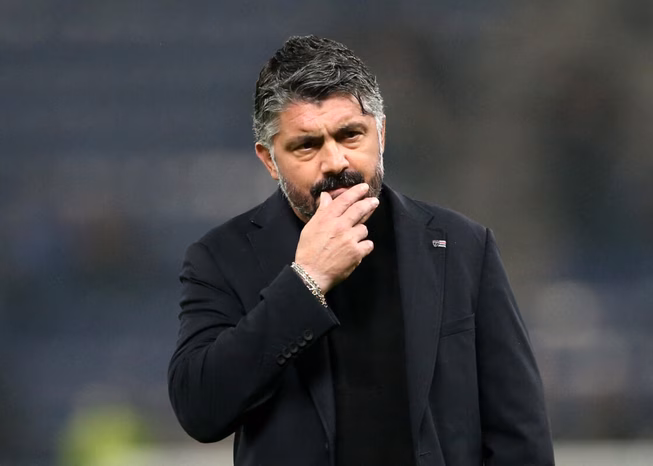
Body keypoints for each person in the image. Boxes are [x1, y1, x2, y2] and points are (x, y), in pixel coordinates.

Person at [168, 35, 554, 466]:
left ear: (381, 133)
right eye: (307, 145)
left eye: (350, 135)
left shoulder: (464, 246)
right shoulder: (221, 257)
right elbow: (200, 409)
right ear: (270, 159)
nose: (335, 161)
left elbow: (521, 438)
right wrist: (306, 281)